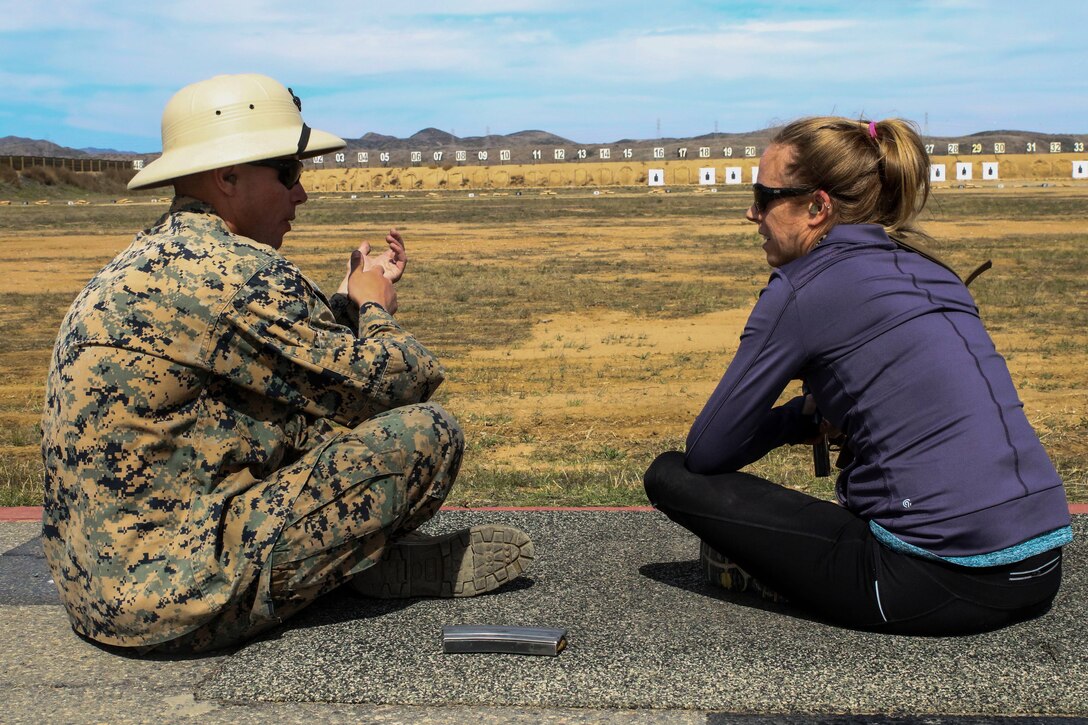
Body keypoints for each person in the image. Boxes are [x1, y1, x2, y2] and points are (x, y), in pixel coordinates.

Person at [40, 73, 534, 653]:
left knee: (311, 419)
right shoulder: (240, 271)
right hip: (179, 605)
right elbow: (402, 382)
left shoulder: (148, 260)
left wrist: (345, 302)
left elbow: (280, 368)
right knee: (428, 435)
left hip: (100, 594)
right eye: (289, 173)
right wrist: (374, 308)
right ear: (228, 178)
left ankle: (349, 560)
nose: (301, 194)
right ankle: (349, 564)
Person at [644, 117, 1071, 635]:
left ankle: (778, 575)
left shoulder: (802, 287)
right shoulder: (932, 269)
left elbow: (708, 449)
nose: (751, 211)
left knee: (669, 475)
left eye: (765, 195)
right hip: (1042, 570)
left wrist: (799, 421)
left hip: (934, 584)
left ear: (817, 208)